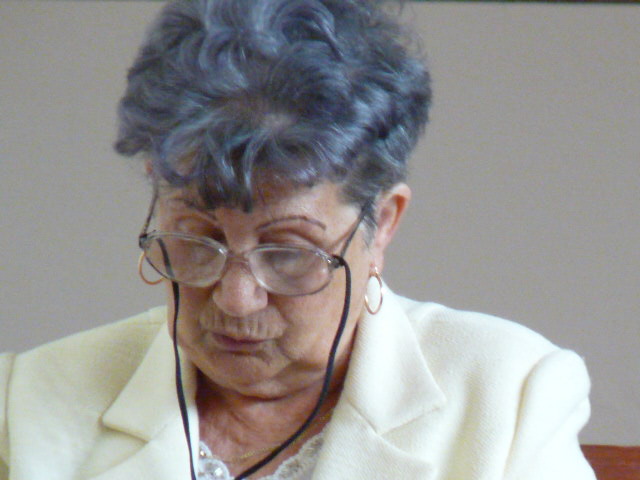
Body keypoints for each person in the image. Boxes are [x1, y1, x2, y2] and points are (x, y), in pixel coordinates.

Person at [0, 0, 595, 478]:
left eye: (287, 252)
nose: (236, 299)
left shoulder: (509, 399)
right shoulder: (28, 401)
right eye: (198, 240)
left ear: (382, 224)